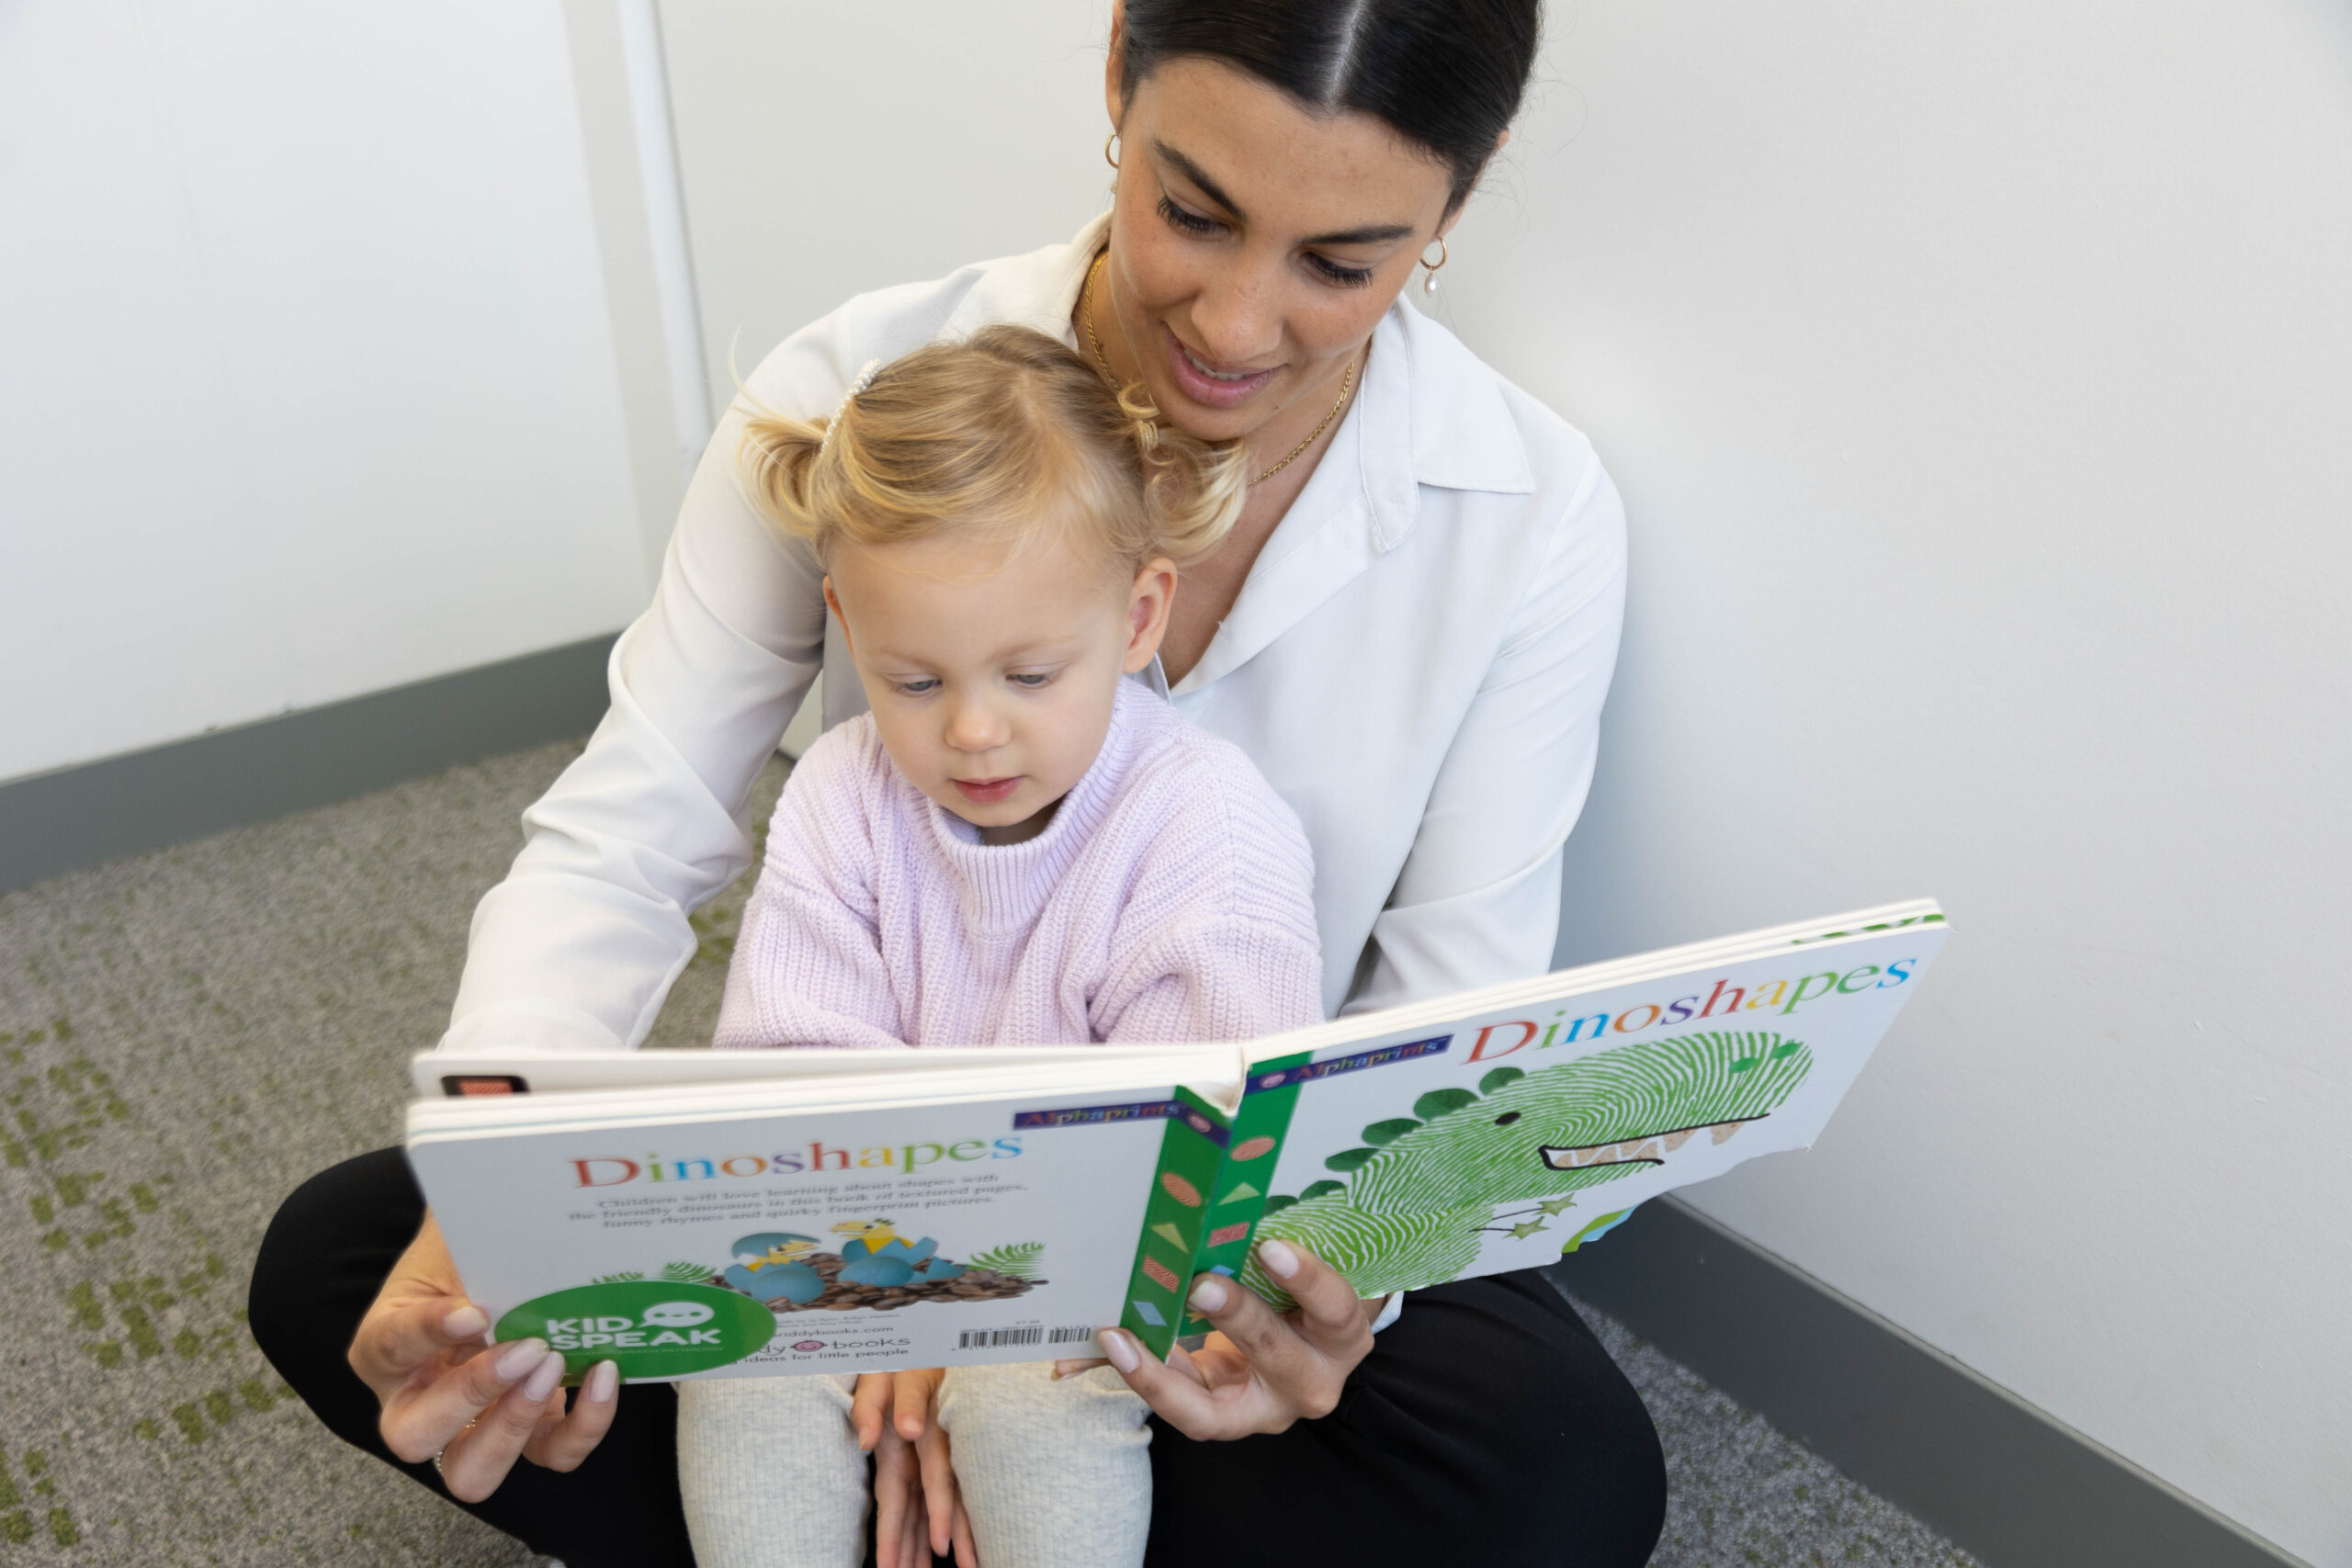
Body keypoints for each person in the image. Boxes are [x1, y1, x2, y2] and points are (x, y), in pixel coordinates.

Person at [250, 2, 1668, 1564]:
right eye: (1191, 213)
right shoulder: (858, 395)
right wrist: (504, 1208)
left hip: (1208, 1235)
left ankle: (1000, 1480)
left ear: (1455, 206)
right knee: (349, 1265)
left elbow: (1442, 1036)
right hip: (845, 1190)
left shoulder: (1530, 514)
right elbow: (628, 832)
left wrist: (1314, 1309)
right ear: (1119, 68)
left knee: (1563, 1472)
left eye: (1341, 264)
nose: (1239, 327)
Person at [679, 325, 1326, 1568]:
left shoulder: (1207, 825)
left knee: (1035, 1395)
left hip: (1098, 1263)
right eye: (912, 681)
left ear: (1140, 615)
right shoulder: (837, 791)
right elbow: (798, 1088)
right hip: (865, 1243)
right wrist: (894, 1313)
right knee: (737, 1364)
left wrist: (963, 1329)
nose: (974, 732)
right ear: (844, 623)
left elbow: (1198, 1164)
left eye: (1031, 673)